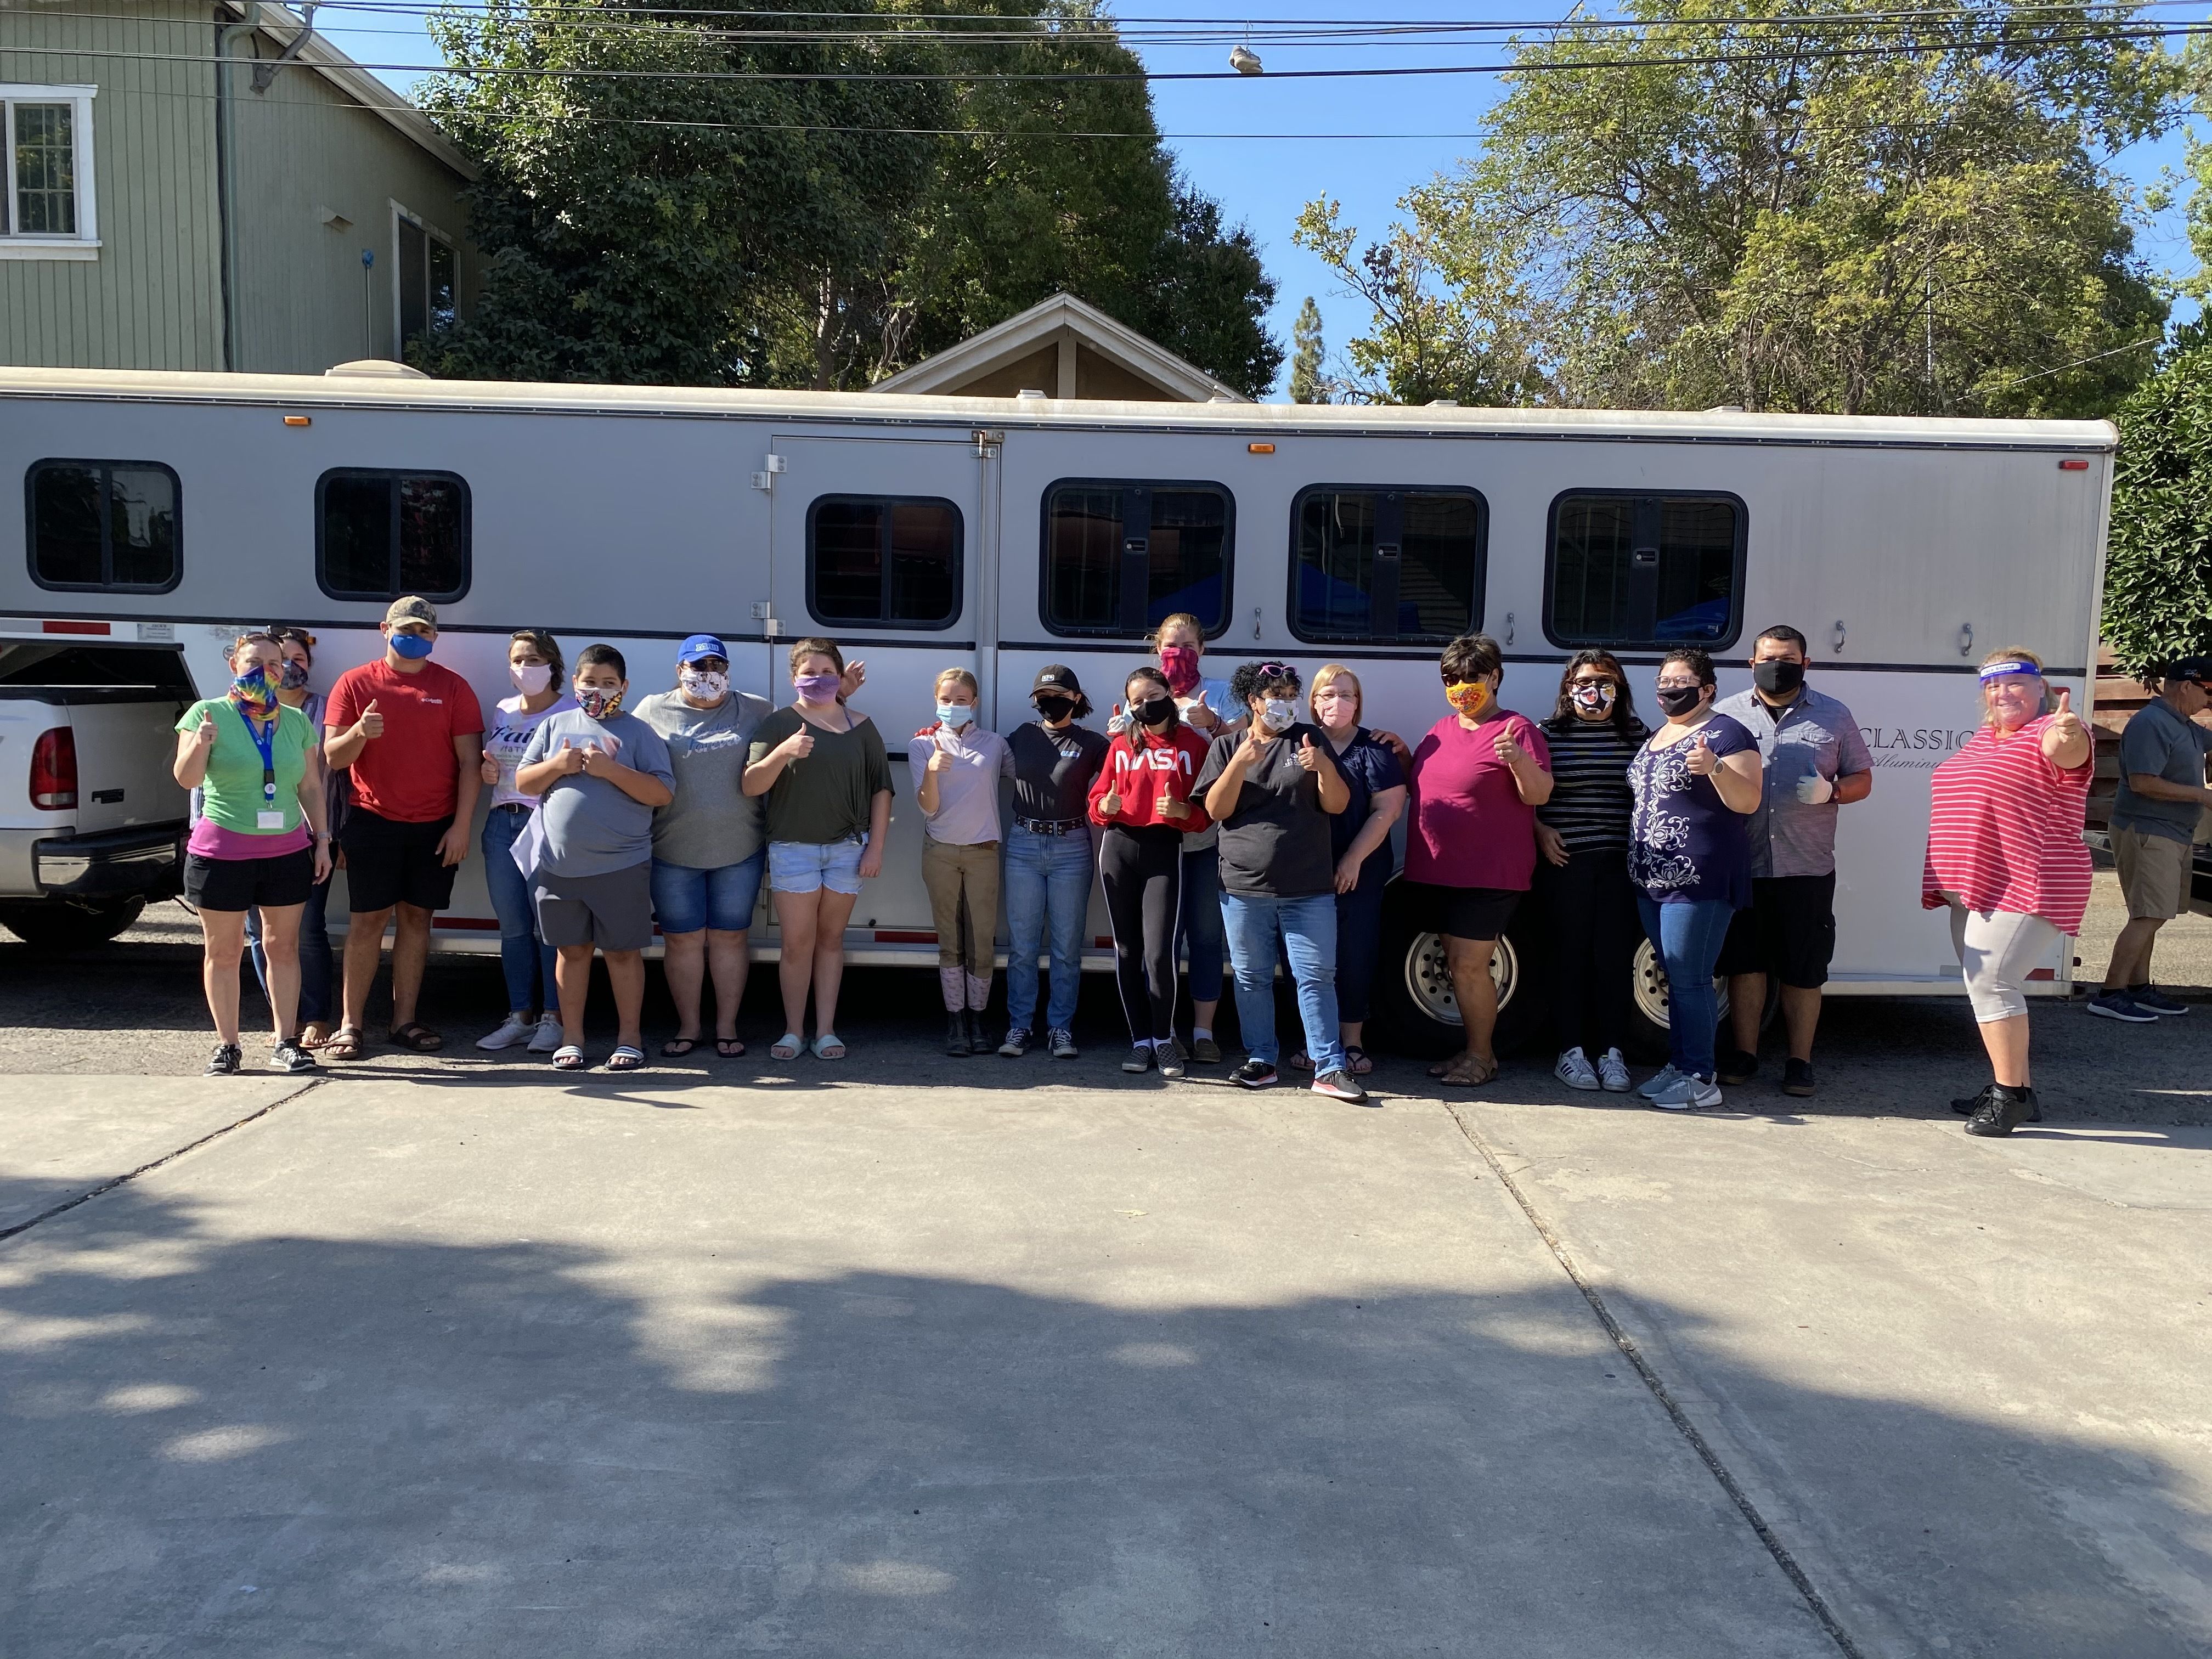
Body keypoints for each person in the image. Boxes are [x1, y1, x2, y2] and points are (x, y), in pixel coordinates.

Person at [1923, 650, 2094, 1135]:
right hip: (1975, 885)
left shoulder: (2047, 732)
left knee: (1993, 983)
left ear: (2040, 688)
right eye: (1995, 686)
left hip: (2029, 880)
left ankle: (2010, 1098)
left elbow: (2071, 751)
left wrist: (2069, 733)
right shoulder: (1984, 739)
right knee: (1989, 986)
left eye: (2017, 683)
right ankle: (2018, 1086)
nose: (2004, 693)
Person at [1712, 624, 1875, 1097]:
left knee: (1804, 970)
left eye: (1787, 658)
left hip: (1807, 868)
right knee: (1746, 966)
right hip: (1744, 864)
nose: (1776, 665)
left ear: (1806, 663)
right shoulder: (1726, 715)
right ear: (1751, 663)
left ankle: (1800, 1061)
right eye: (1767, 657)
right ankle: (1745, 1053)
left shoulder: (1833, 715)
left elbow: (1863, 778)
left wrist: (1834, 792)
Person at [321, 597, 484, 1061]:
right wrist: (360, 733)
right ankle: (351, 1025)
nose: (416, 637)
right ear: (385, 630)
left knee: (417, 921)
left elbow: (471, 763)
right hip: (372, 822)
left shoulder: (454, 688)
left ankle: (403, 1021)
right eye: (407, 629)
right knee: (367, 922)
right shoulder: (354, 684)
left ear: (434, 638)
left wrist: (461, 828)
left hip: (435, 827)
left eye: (424, 631)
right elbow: (333, 759)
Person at [1197, 661, 1363, 1102]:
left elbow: (1338, 804)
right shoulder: (1229, 744)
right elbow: (1215, 810)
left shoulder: (1311, 738)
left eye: (1292, 695)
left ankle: (1329, 1067)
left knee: (1316, 976)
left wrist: (1323, 766)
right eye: (1277, 696)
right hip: (1243, 888)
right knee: (1251, 977)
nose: (1286, 703)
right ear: (1253, 700)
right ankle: (1262, 1060)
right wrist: (1238, 764)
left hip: (1308, 887)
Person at [172, 632, 331, 1075]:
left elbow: (311, 786)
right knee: (223, 952)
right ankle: (227, 1045)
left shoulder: (297, 721)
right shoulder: (207, 713)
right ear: (234, 666)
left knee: (283, 947)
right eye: (254, 662)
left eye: (275, 664)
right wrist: (201, 742)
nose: (266, 671)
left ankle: (286, 1040)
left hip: (286, 851)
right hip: (222, 853)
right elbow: (186, 780)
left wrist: (322, 840)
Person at [1402, 634, 1554, 1090]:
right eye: (1452, 678)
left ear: (1494, 677)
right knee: (1455, 961)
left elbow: (1539, 794)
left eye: (1472, 677)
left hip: (1489, 873)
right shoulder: (1440, 729)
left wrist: (1518, 760)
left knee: (1469, 966)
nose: (1461, 686)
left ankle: (1483, 1058)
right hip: (1441, 870)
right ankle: (1470, 1050)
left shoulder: (1516, 729)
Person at [514, 644, 675, 1071]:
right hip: (559, 867)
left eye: (609, 684)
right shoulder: (555, 725)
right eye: (590, 683)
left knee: (623, 954)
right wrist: (558, 766)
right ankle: (573, 1038)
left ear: (624, 687)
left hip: (621, 866)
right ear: (575, 684)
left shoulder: (640, 733)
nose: (598, 691)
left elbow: (662, 793)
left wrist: (611, 771)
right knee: (572, 952)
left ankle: (630, 1039)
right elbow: (525, 782)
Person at [744, 638, 894, 1062]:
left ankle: (825, 1031)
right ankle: (793, 1031)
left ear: (840, 676)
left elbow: (882, 791)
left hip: (848, 850)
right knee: (796, 944)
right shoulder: (778, 724)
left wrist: (875, 850)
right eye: (809, 673)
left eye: (828, 672)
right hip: (793, 849)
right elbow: (751, 785)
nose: (819, 680)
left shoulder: (862, 725)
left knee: (830, 942)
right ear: (795, 678)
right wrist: (783, 752)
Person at [1628, 648, 1764, 1110]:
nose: (1669, 689)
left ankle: (1701, 1077)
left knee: (1691, 977)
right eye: (1663, 680)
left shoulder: (1727, 732)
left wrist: (1716, 768)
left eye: (1681, 681)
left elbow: (1748, 800)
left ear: (1707, 689)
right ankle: (1681, 1063)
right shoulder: (1659, 735)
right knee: (1674, 974)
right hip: (1652, 880)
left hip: (1698, 878)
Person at [636, 635, 772, 1059]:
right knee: (682, 941)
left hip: (740, 849)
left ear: (727, 671)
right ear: (679, 671)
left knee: (732, 939)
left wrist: (839, 692)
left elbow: (805, 722)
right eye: (697, 667)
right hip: (673, 851)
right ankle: (689, 1027)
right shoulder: (651, 709)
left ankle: (727, 1028)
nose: (706, 675)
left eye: (715, 666)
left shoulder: (757, 709)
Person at [1118, 613, 1242, 1063]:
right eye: (1171, 646)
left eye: (1187, 646)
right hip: (1156, 843)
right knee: (1160, 941)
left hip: (1204, 840)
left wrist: (1216, 724)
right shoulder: (1142, 693)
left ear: (1202, 650)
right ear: (1157, 649)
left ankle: (1204, 1033)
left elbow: (1252, 746)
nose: (1178, 653)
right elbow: (1122, 752)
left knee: (1207, 936)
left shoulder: (1223, 693)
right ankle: (1162, 1031)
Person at [1090, 666, 1212, 1077]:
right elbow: (1098, 799)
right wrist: (1101, 808)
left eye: (1153, 694)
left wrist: (1184, 813)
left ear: (1170, 693)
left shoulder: (1193, 744)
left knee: (1160, 954)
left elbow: (1206, 812)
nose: (1146, 704)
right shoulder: (1121, 743)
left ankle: (1164, 1039)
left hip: (1164, 849)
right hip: (1119, 847)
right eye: (1136, 700)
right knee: (1127, 950)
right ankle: (1140, 1041)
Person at [1533, 651, 1647, 1094]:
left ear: (1619, 688)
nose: (1594, 689)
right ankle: (1571, 1051)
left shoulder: (1637, 733)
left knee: (1614, 959)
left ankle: (1612, 1052)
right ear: (1568, 686)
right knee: (1569, 955)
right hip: (1566, 863)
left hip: (1620, 863)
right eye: (1584, 680)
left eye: (1605, 680)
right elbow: (1523, 794)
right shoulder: (1547, 733)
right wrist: (1539, 829)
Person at [2087, 654, 2212, 1023]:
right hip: (2148, 831)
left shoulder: (2185, 724)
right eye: (2207, 691)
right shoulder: (2152, 723)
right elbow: (2143, 782)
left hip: (2172, 832)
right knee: (2148, 914)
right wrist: (2204, 796)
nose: (2209, 702)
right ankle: (2110, 993)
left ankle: (2138, 988)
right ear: (2186, 685)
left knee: (2151, 913)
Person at [232, 627, 338, 1049]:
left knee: (306, 931)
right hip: (238, 839)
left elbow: (322, 783)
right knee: (259, 935)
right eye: (274, 661)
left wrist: (328, 837)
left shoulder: (318, 713)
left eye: (297, 660)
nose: (286, 669)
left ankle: (315, 1016)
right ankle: (285, 1021)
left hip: (303, 838)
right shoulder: (222, 713)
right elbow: (201, 782)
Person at [999, 664, 1109, 1061]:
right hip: (1024, 845)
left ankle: (1060, 1028)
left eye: (1060, 697)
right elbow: (975, 755)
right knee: (1023, 947)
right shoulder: (1020, 737)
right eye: (1043, 698)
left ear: (1076, 699)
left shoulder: (1094, 743)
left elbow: (1128, 769)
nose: (1051, 704)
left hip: (1072, 847)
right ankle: (1020, 1026)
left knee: (1066, 948)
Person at [1300, 665, 1405, 1076]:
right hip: (1306, 871)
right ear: (1313, 700)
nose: (1336, 703)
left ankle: (1352, 1043)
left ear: (1358, 704)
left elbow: (1389, 809)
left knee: (1355, 954)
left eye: (1346, 695)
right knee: (1309, 960)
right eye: (1327, 694)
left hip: (1360, 869)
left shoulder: (1375, 749)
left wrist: (1352, 860)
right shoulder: (1300, 742)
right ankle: (1312, 1042)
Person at [475, 630, 574, 1054]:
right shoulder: (503, 709)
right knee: (513, 928)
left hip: (544, 825)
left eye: (533, 659)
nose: (524, 668)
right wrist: (487, 774)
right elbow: (492, 760)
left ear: (553, 665)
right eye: (517, 660)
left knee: (548, 928)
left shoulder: (571, 710)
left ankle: (554, 1018)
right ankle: (520, 1017)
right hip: (501, 823)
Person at [912, 667, 1014, 1056]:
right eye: (946, 699)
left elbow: (1027, 779)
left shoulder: (994, 745)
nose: (953, 706)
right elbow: (928, 807)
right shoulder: (923, 745)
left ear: (974, 703)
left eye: (960, 700)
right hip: (940, 850)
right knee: (950, 941)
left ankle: (978, 1017)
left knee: (982, 941)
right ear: (936, 702)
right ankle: (955, 1021)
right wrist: (933, 774)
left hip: (983, 852)